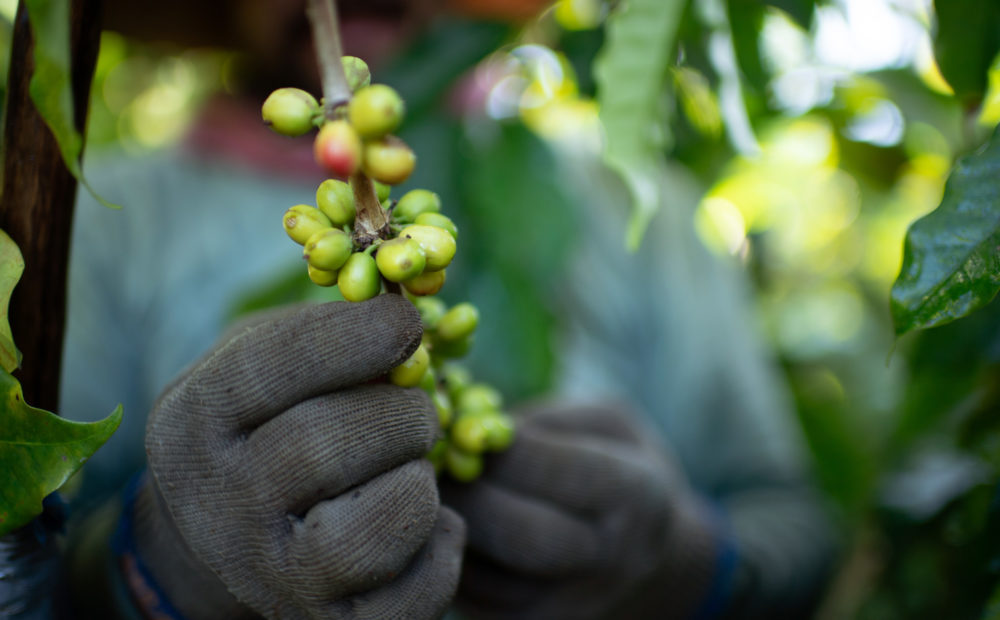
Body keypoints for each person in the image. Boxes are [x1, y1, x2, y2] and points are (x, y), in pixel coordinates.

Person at [53, 1, 839, 618]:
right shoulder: (100, 220)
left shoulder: (635, 209)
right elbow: (23, 565)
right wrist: (149, 573)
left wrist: (692, 570)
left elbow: (802, 530)